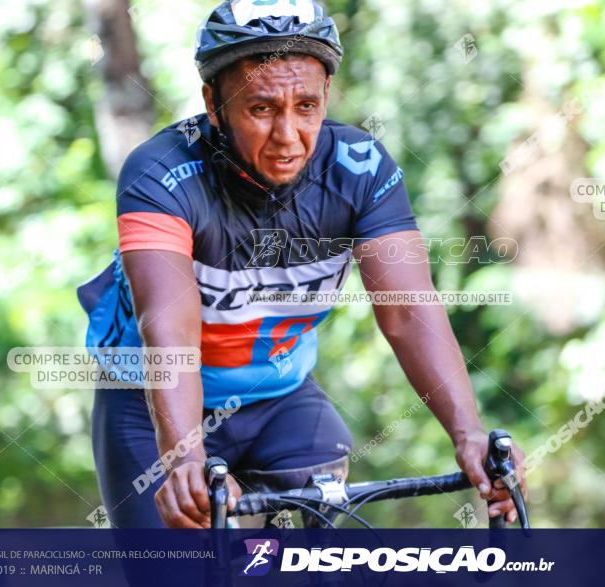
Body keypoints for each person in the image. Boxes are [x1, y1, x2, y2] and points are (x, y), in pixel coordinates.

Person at [77, 0, 525, 528]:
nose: (288, 136)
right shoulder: (161, 173)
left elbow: (407, 311)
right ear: (213, 104)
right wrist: (185, 459)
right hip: (148, 400)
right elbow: (168, 328)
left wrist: (467, 432)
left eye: (307, 106)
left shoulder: (361, 169)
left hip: (280, 397)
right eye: (261, 109)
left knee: (320, 553)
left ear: (326, 97)